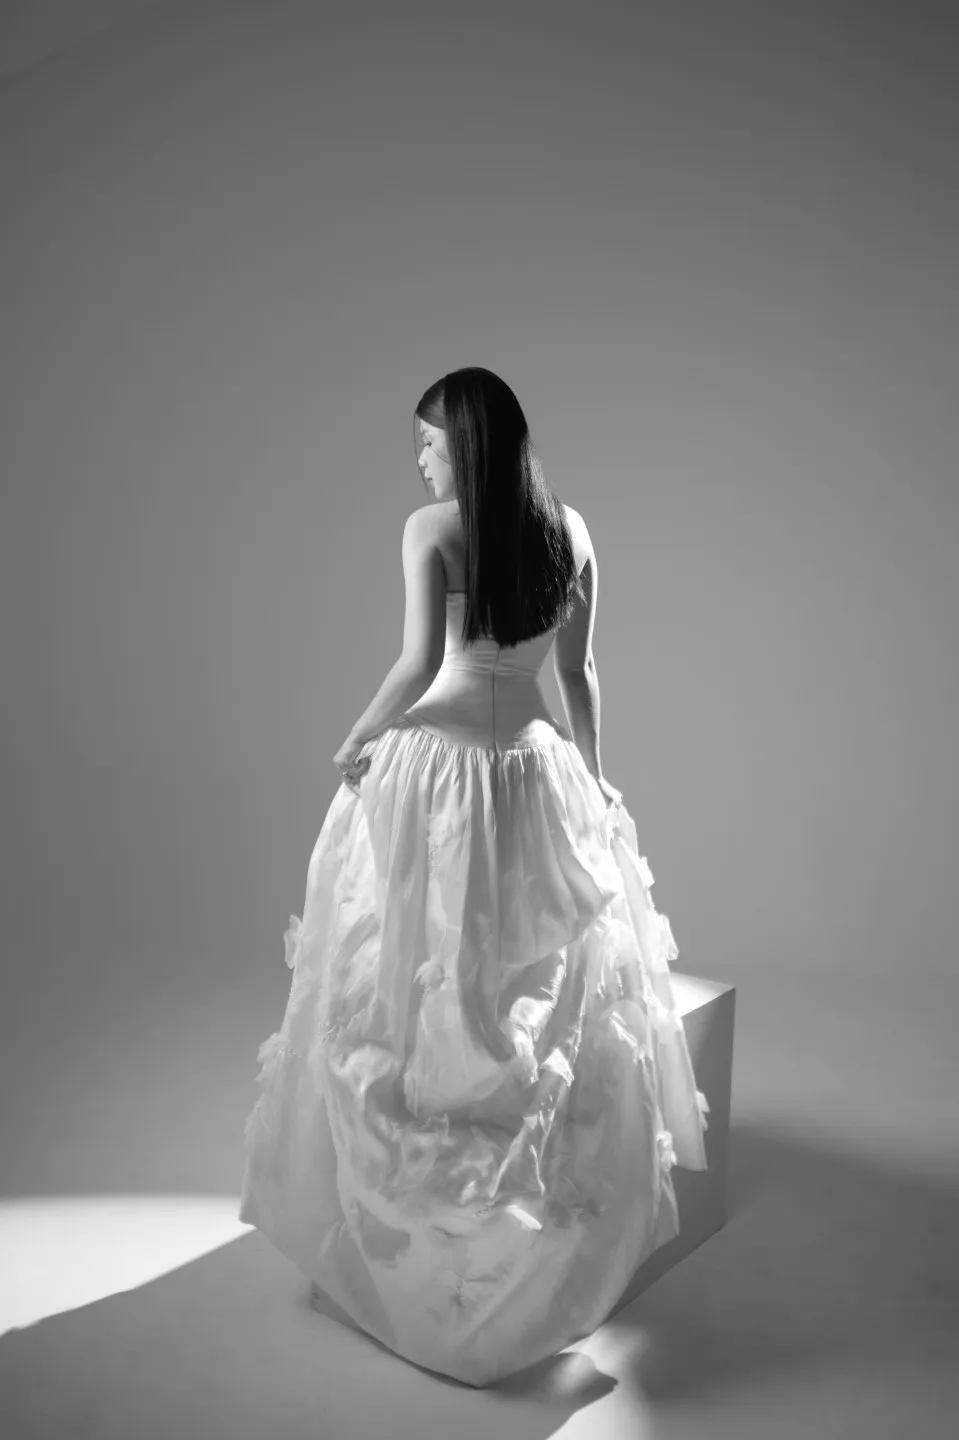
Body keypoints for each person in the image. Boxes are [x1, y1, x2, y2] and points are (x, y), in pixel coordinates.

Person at [237, 366, 709, 1388]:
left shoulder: (432, 532)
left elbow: (418, 665)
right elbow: (576, 672)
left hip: (441, 774)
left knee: (426, 977)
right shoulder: (569, 530)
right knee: (523, 986)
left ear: (466, 445)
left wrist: (357, 737)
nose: (417, 460)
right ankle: (523, 1244)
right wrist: (591, 776)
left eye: (427, 443)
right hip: (534, 768)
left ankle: (421, 1244)